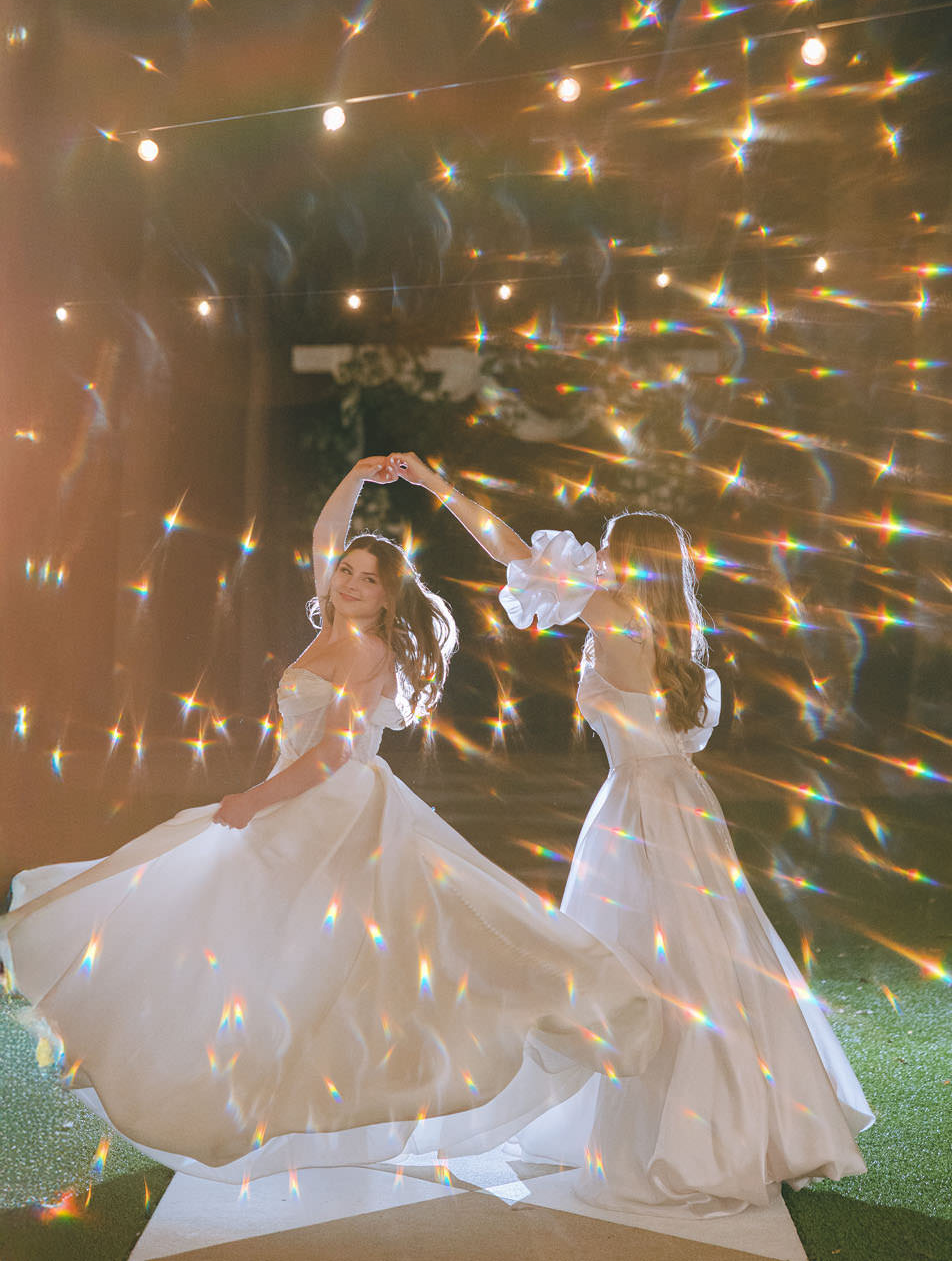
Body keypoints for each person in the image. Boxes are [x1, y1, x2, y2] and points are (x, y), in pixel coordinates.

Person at [0, 457, 660, 1184]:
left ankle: (293, 1079)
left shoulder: (369, 650)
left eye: (367, 579)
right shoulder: (332, 613)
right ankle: (212, 1061)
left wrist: (257, 801)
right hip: (298, 796)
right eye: (347, 571)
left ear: (388, 597)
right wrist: (354, 474)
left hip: (328, 805)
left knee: (309, 936)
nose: (348, 581)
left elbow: (334, 755)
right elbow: (324, 532)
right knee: (222, 914)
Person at [389, 450, 874, 1217]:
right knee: (708, 964)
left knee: (652, 968)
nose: (598, 559)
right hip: (680, 803)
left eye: (611, 550)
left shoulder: (616, 616)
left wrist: (442, 486)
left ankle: (690, 1136)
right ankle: (740, 1122)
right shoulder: (676, 632)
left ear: (634, 564)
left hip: (644, 813)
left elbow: (514, 552)